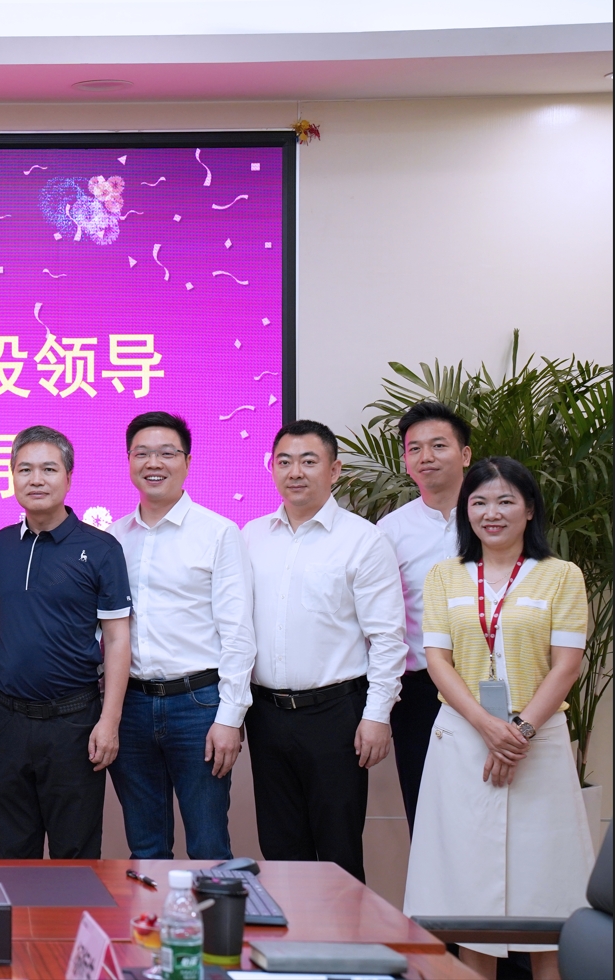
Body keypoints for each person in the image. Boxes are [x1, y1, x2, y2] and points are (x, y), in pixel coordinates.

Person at [404, 457, 595, 980]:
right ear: (466, 511)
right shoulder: (445, 575)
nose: (492, 513)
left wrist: (519, 733)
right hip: (463, 739)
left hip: (539, 741)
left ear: (529, 509)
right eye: (480, 502)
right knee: (469, 890)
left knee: (547, 888)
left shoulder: (561, 576)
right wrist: (489, 727)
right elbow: (437, 661)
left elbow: (567, 665)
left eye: (506, 500)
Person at [242, 419, 407, 883]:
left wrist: (377, 716)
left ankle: (344, 933)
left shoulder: (363, 540)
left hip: (336, 715)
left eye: (309, 461)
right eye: (284, 461)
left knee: (338, 850)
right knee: (279, 847)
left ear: (334, 470)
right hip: (266, 714)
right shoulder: (250, 536)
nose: (295, 472)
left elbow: (387, 638)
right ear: (272, 469)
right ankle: (289, 932)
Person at [0, 425, 132, 859]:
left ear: (69, 477)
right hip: (6, 719)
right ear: (12, 476)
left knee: (75, 854)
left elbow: (118, 639)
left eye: (48, 469)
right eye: (25, 469)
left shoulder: (101, 548)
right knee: (13, 850)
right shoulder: (0, 545)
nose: (36, 479)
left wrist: (109, 721)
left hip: (73, 722)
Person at [107, 412, 255, 860]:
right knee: (145, 847)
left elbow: (238, 633)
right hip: (131, 706)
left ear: (187, 462)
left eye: (167, 453)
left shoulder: (219, 533)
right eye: (142, 453)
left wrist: (230, 717)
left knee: (209, 846)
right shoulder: (113, 538)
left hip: (199, 706)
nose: (154, 463)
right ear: (129, 461)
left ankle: (211, 913)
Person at [377, 400, 473, 835]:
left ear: (465, 454)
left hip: (491, 684)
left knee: (490, 808)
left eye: (438, 445)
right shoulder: (389, 531)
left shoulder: (496, 518)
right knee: (427, 813)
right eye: (414, 448)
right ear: (405, 460)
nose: (426, 457)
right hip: (419, 693)